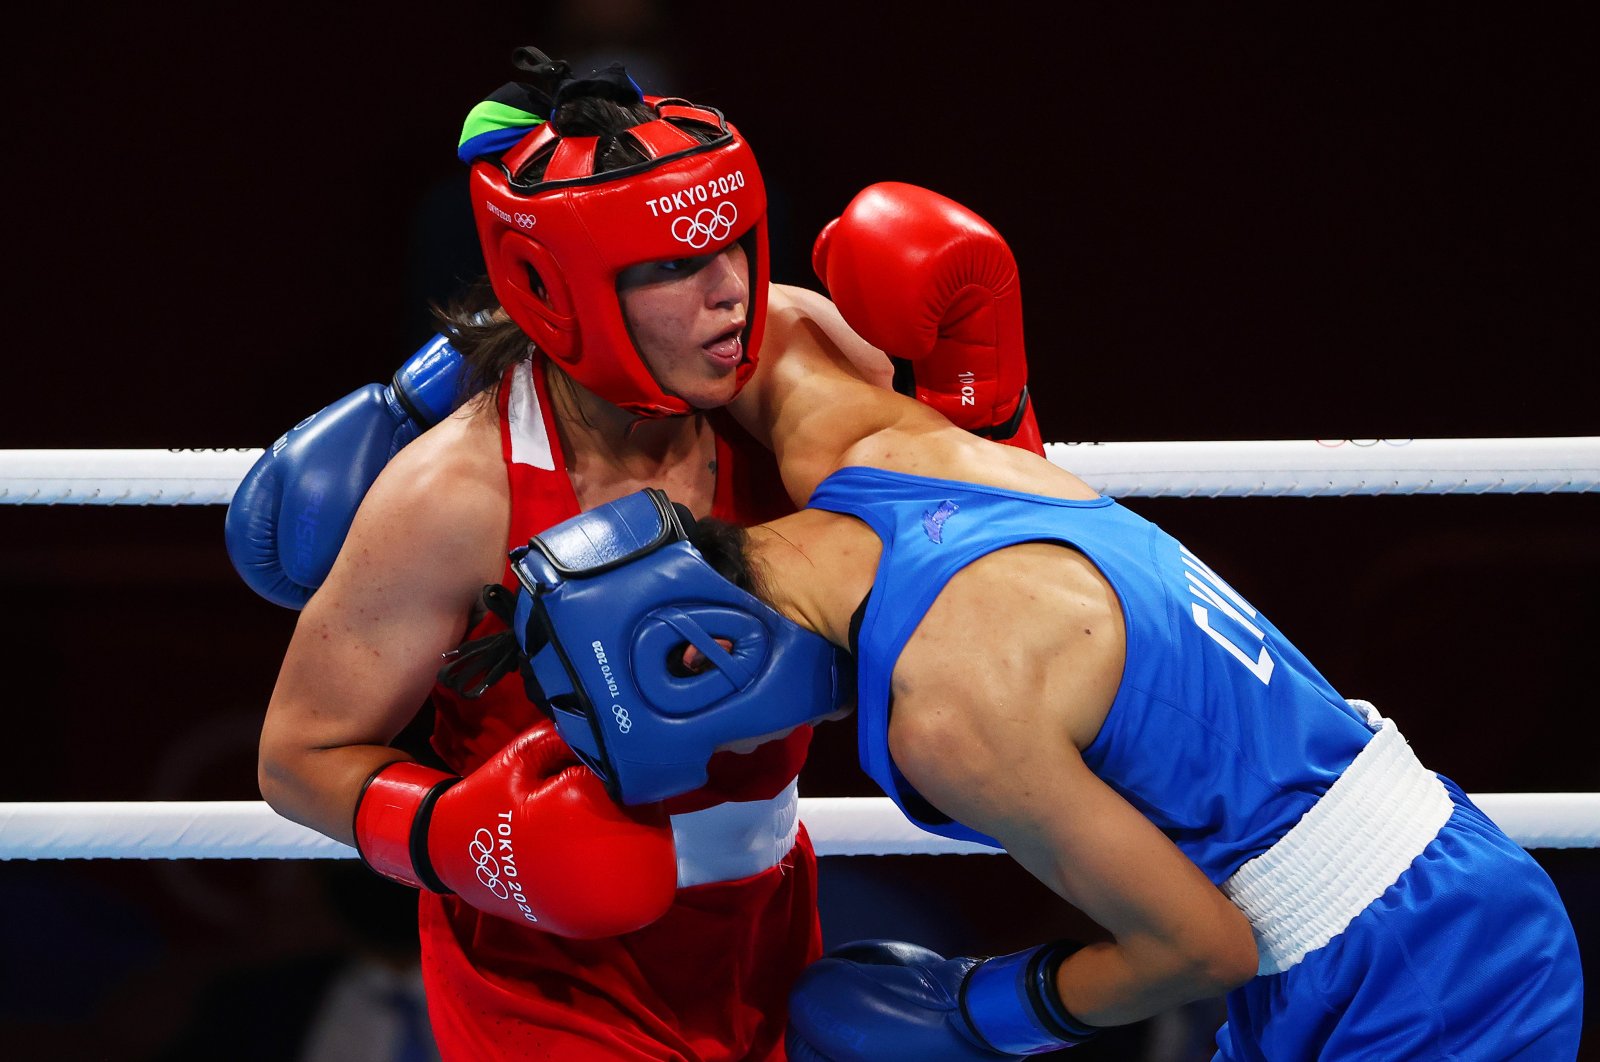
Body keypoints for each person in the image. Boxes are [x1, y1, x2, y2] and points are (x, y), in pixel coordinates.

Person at [505, 186, 1586, 1059]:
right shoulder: (884, 450)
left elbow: (1191, 949)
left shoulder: (949, 719)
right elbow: (756, 330)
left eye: (723, 743)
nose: (754, 754)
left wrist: (980, 1014)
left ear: (715, 659)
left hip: (1416, 968)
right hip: (1404, 921)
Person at [236, 47, 1043, 1061]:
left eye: (736, 248)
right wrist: (463, 839)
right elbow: (297, 756)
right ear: (556, 289)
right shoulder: (456, 495)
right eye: (669, 266)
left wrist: (988, 394)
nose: (729, 294)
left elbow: (994, 569)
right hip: (539, 972)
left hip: (766, 928)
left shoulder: (795, 360)